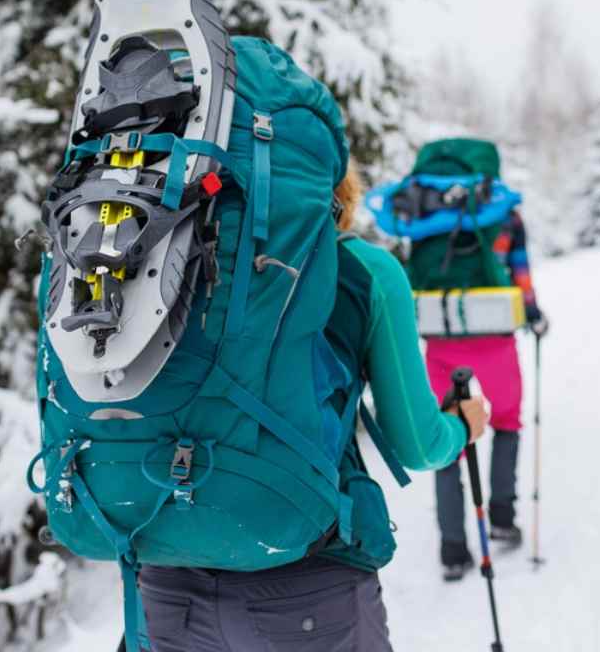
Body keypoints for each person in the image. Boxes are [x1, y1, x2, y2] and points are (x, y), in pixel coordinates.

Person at [135, 167, 490, 651]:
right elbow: (418, 445)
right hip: (308, 581)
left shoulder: (155, 257)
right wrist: (462, 427)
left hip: (167, 587)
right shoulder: (364, 270)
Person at [428, 207, 548, 581]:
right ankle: (501, 519)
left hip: (441, 337)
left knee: (447, 439)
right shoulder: (506, 217)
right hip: (494, 337)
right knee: (507, 421)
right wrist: (533, 314)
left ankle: (452, 550)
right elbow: (520, 274)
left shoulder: (428, 214)